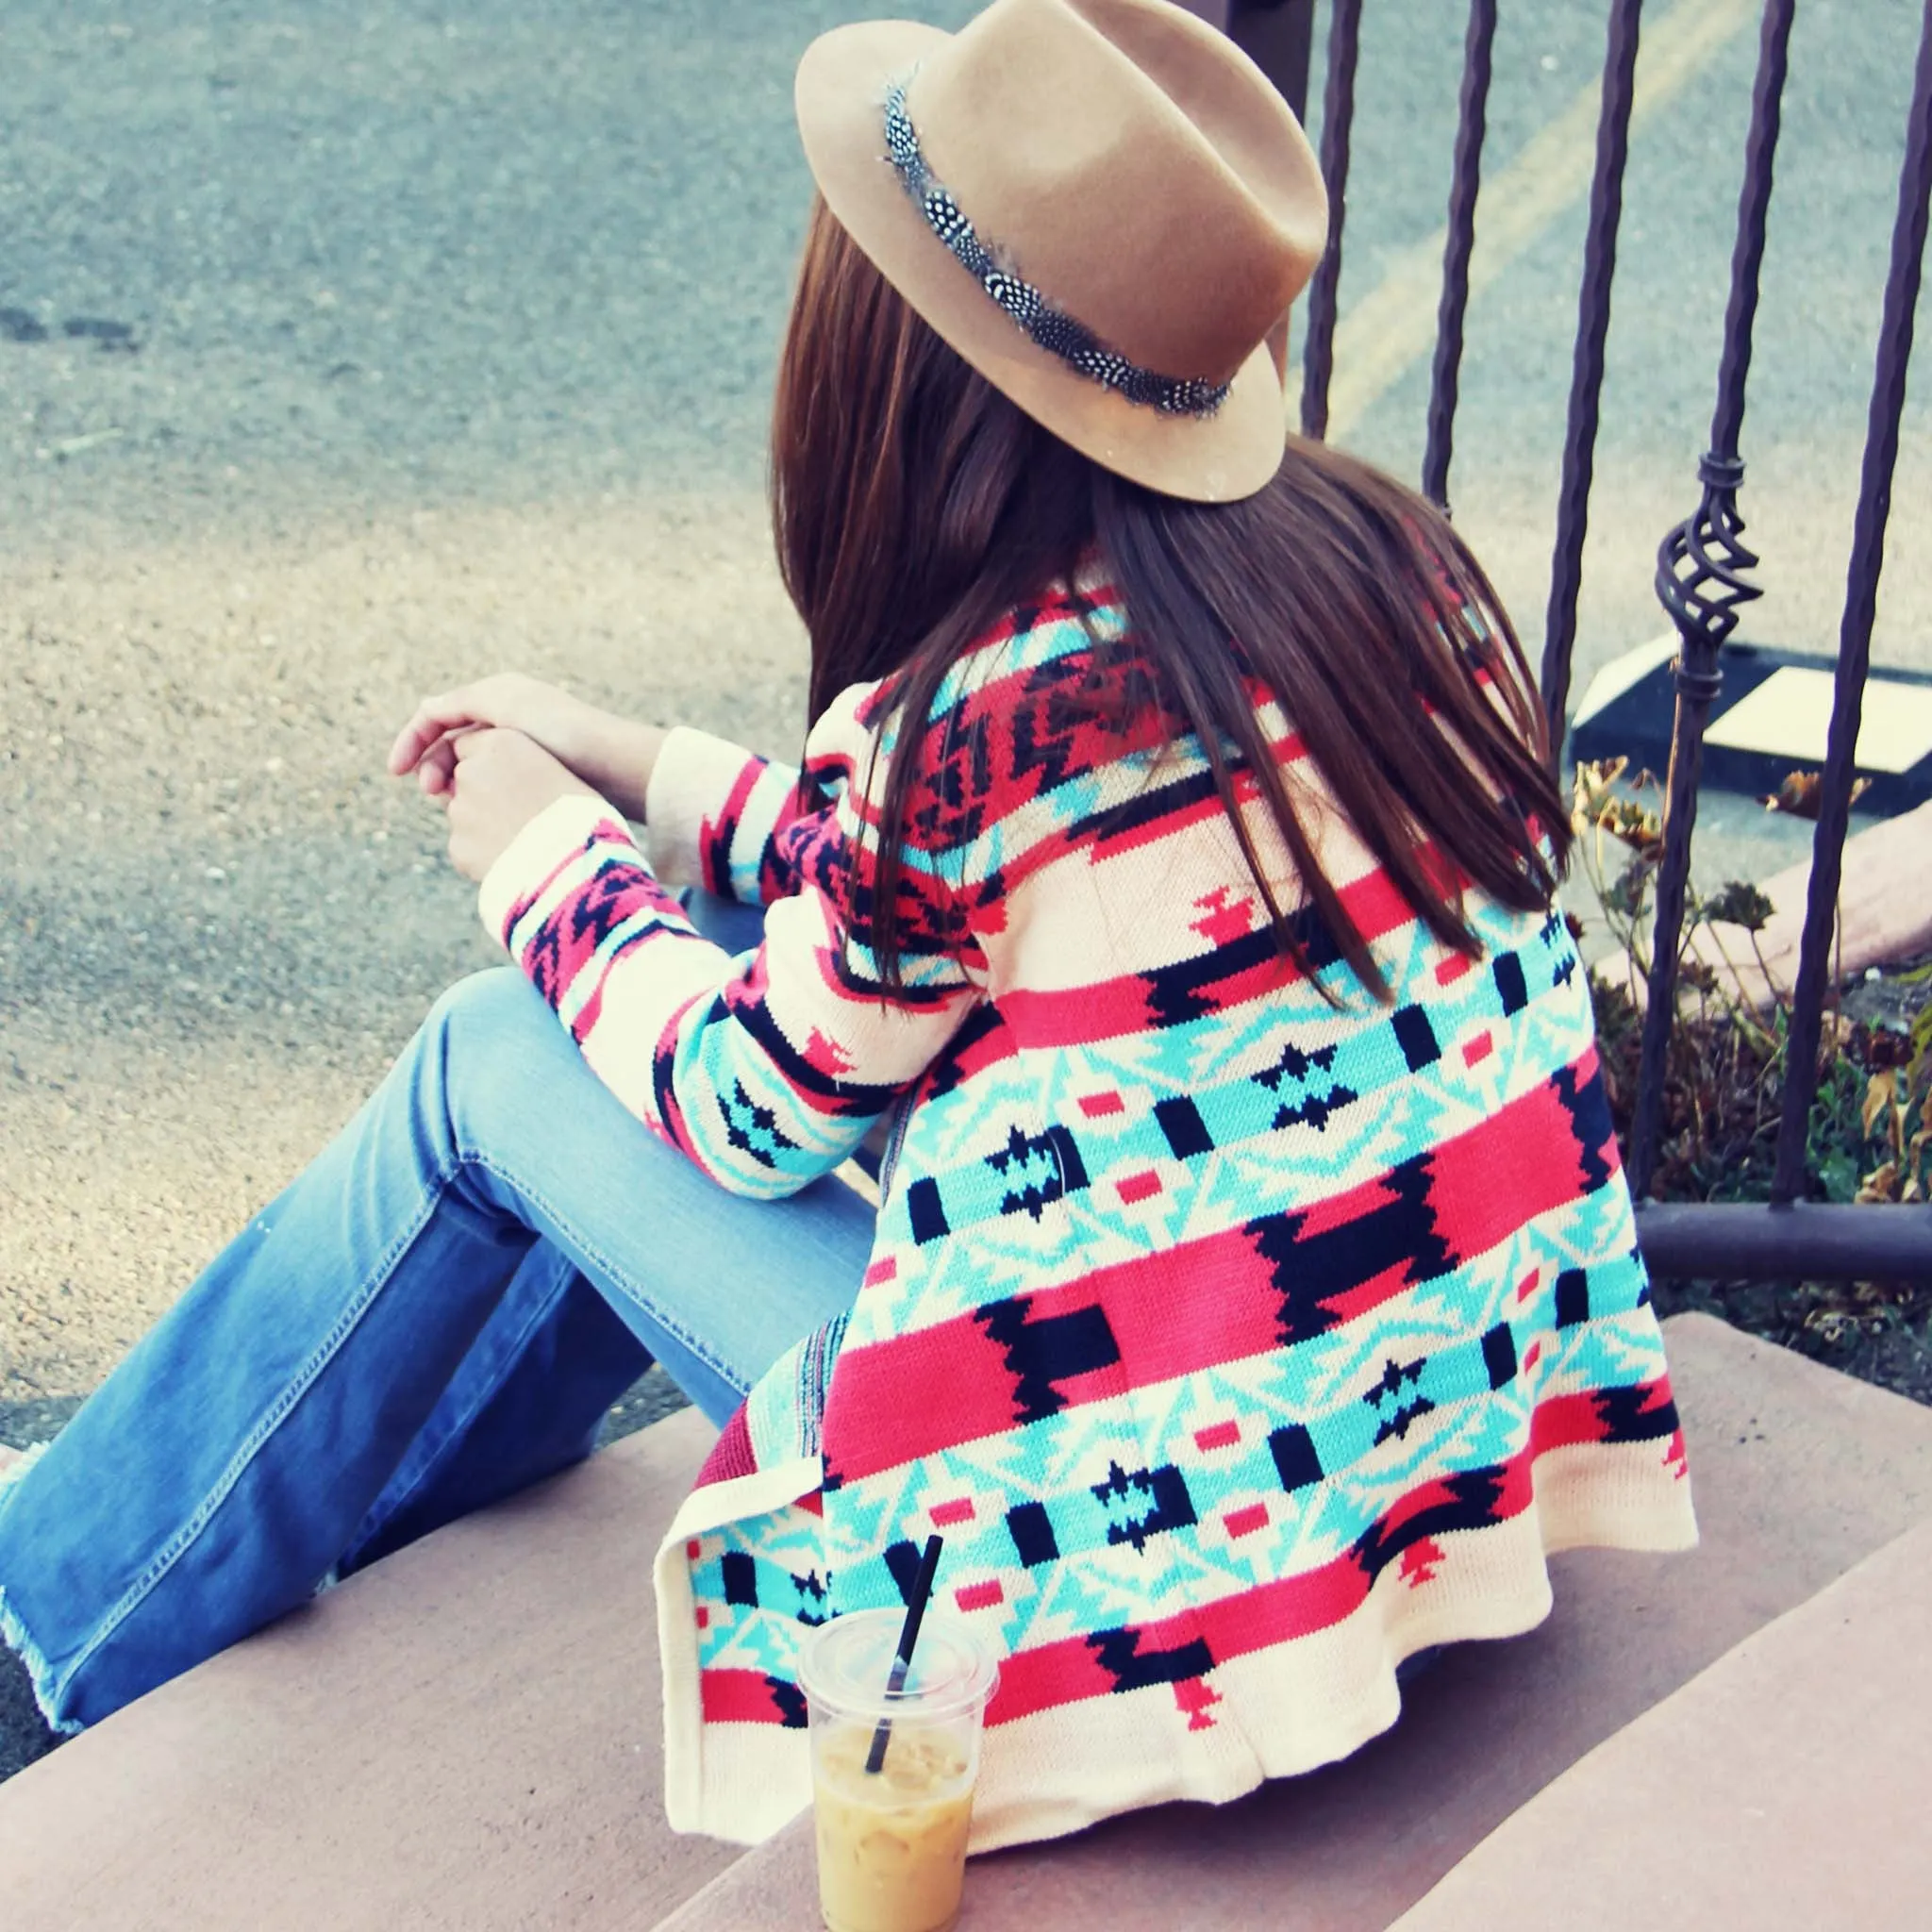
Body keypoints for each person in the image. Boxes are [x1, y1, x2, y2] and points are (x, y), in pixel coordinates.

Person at [0, 0, 1695, 1850]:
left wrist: (538, 855)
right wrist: (643, 772)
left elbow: (751, 1097)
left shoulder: (977, 728)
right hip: (1393, 1435)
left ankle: (51, 1636)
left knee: (502, 1054)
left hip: (1114, 1560)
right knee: (653, 973)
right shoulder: (1386, 573)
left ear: (899, 363)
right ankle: (355, 1525)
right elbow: (926, 927)